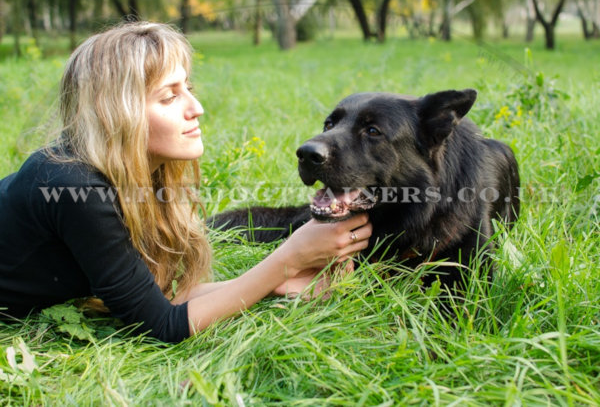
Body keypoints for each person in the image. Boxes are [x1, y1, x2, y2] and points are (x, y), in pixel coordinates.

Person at [0, 22, 372, 342]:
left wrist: (274, 285)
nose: (196, 108)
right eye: (169, 96)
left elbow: (160, 296)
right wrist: (289, 257)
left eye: (188, 87)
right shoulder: (74, 186)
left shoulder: (133, 171)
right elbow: (161, 325)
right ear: (117, 114)